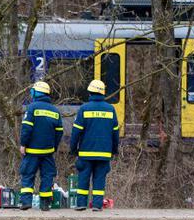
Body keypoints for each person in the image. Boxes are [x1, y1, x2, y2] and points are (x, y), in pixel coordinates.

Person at [69, 79, 119, 211]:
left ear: (90, 92)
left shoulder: (84, 109)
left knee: (83, 178)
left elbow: (76, 132)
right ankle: (97, 205)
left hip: (86, 152)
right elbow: (115, 133)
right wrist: (114, 150)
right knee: (99, 180)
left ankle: (81, 204)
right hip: (104, 153)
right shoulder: (110, 109)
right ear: (103, 93)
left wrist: (73, 149)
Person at [18, 81, 64, 211]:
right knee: (47, 176)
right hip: (48, 151)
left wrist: (23, 144)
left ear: (35, 93)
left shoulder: (32, 108)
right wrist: (53, 147)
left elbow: (26, 128)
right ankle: (45, 204)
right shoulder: (55, 110)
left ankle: (26, 202)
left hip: (32, 150)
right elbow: (59, 132)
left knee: (27, 174)